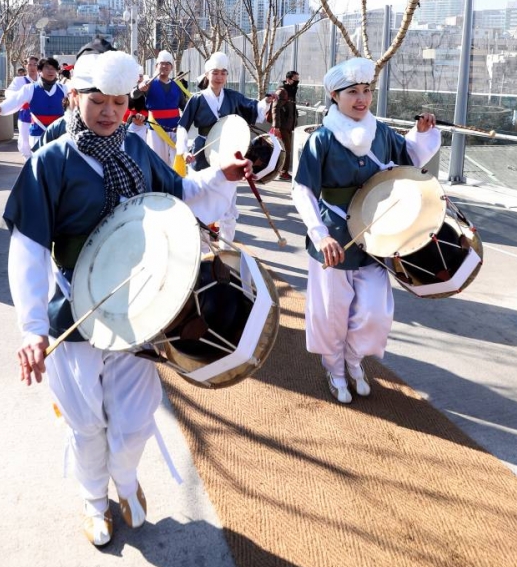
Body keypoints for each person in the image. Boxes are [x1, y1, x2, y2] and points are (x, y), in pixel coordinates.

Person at [3, 50, 252, 548]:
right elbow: (28, 246)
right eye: (98, 100)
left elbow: (180, 192)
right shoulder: (51, 161)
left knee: (135, 419)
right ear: (76, 97)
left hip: (141, 308)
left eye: (119, 101)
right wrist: (31, 328)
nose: (109, 112)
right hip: (76, 308)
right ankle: (95, 500)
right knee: (85, 420)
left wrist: (220, 177)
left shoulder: (136, 151)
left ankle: (127, 479)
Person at [292, 57, 440, 405]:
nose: (361, 98)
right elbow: (302, 190)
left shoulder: (382, 132)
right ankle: (335, 369)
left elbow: (409, 160)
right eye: (352, 92)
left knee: (374, 311)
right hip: (334, 240)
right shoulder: (322, 139)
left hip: (375, 240)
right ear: (334, 95)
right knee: (332, 312)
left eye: (367, 91)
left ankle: (354, 360)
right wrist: (319, 233)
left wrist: (422, 134)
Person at [176, 51, 270, 246]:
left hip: (228, 154)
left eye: (223, 73)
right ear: (207, 74)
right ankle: (199, 249)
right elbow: (182, 126)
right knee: (198, 200)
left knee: (229, 203)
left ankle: (226, 248)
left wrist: (267, 102)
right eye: (215, 72)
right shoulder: (197, 99)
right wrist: (183, 150)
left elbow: (254, 110)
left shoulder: (233, 97)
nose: (219, 77)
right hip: (202, 152)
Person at [0, 57, 67, 154]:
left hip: (58, 132)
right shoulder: (29, 88)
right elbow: (15, 99)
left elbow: (77, 101)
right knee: (37, 160)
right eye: (47, 68)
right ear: (40, 70)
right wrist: (2, 107)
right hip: (37, 131)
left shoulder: (64, 88)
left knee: (58, 162)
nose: (51, 71)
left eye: (53, 68)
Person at [133, 51, 188, 166]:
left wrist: (183, 126)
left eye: (168, 64)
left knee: (176, 163)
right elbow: (133, 95)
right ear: (156, 66)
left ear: (171, 67)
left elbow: (185, 107)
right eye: (161, 63)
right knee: (158, 163)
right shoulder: (148, 84)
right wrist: (140, 88)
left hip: (174, 130)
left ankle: (175, 184)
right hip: (155, 130)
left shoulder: (177, 85)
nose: (164, 66)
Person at [5, 56, 39, 159]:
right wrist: (21, 98)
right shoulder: (19, 80)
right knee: (25, 140)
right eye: (29, 64)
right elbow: (8, 92)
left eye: (35, 64)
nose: (32, 67)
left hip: (41, 116)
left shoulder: (44, 79)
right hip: (25, 116)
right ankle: (28, 160)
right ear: (25, 66)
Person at [269, 70, 300, 180]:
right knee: (285, 149)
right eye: (295, 80)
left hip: (288, 125)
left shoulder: (291, 90)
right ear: (288, 79)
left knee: (286, 149)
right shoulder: (282, 91)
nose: (297, 82)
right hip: (281, 126)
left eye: (298, 80)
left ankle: (283, 171)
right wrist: (276, 126)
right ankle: (283, 172)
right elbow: (275, 108)